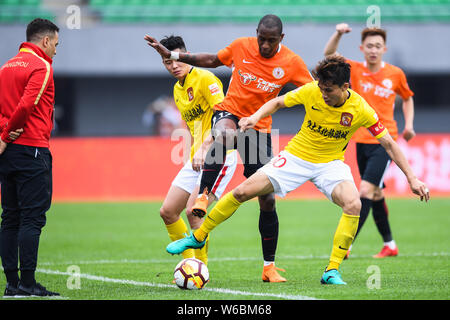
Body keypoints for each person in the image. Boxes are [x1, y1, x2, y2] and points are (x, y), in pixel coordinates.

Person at [165, 55, 430, 285]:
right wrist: (256, 117)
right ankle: (198, 237)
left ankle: (332, 270)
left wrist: (413, 179)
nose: (323, 93)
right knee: (244, 191)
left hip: (330, 165)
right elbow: (278, 103)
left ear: (345, 87)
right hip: (296, 157)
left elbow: (389, 144)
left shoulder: (360, 108)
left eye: (329, 89)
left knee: (354, 204)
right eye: (321, 87)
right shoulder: (312, 91)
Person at [145, 15, 313, 282]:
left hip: (258, 129)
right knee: (223, 133)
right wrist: (175, 54)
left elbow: (312, 92)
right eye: (261, 39)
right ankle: (203, 196)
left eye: (271, 41)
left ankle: (269, 267)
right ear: (255, 33)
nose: (265, 45)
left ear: (281, 39)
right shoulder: (241, 46)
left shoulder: (291, 62)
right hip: (230, 114)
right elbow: (212, 59)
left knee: (267, 200)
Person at [324, 24, 416, 259]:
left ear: (384, 48)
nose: (373, 50)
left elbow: (407, 98)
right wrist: (338, 34)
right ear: (361, 48)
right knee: (375, 195)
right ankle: (390, 245)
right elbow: (328, 55)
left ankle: (347, 244)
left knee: (365, 190)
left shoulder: (395, 74)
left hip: (384, 141)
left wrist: (409, 125)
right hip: (361, 139)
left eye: (377, 46)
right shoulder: (354, 69)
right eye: (369, 46)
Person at [156, 35, 238, 266]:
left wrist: (204, 148)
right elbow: (193, 127)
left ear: (186, 56)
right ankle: (188, 264)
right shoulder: (177, 90)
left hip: (219, 155)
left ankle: (199, 270)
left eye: (176, 60)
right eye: (167, 62)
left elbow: (225, 118)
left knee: (194, 212)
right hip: (196, 158)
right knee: (168, 211)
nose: (173, 66)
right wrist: (194, 152)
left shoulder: (205, 78)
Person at [0, 18, 60, 297]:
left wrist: (2, 137)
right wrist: (7, 134)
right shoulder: (41, 66)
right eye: (56, 45)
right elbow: (27, 104)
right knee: (32, 219)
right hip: (32, 149)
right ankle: (27, 283)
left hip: (8, 152)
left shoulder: (7, 66)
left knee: (10, 217)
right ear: (45, 41)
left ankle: (12, 285)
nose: (56, 51)